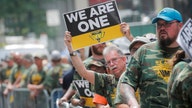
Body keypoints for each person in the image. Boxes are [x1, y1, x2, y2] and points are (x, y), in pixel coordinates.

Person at [115, 7, 183, 108]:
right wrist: (132, 103)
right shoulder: (144, 51)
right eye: (159, 24)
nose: (162, 28)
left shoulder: (188, 52)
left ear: (180, 26)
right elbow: (126, 83)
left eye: (167, 23)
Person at [64, 31, 129, 107]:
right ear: (107, 69)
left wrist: (129, 37)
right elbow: (83, 72)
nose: (112, 64)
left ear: (124, 59)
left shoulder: (135, 76)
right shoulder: (106, 81)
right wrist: (70, 48)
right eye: (108, 62)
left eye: (114, 60)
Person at [58, 43, 106, 108]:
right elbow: (76, 84)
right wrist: (65, 97)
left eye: (103, 43)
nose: (101, 44)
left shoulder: (112, 61)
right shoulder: (84, 65)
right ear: (91, 45)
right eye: (97, 43)